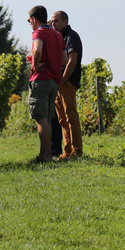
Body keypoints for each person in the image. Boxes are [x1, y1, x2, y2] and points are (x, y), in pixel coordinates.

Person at [27, 5, 66, 163]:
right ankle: (43, 156)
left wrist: (35, 65)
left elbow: (37, 49)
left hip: (41, 80)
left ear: (34, 19)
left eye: (29, 20)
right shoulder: (57, 35)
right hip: (54, 82)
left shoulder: (38, 33)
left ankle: (47, 157)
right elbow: (64, 60)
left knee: (41, 118)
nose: (30, 23)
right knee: (48, 119)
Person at [50, 10, 84, 159]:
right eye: (51, 21)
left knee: (71, 117)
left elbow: (72, 61)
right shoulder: (59, 37)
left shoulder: (71, 37)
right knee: (62, 119)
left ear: (65, 22)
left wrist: (63, 80)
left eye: (56, 21)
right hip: (59, 82)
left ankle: (77, 151)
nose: (52, 24)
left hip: (67, 82)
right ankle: (67, 151)